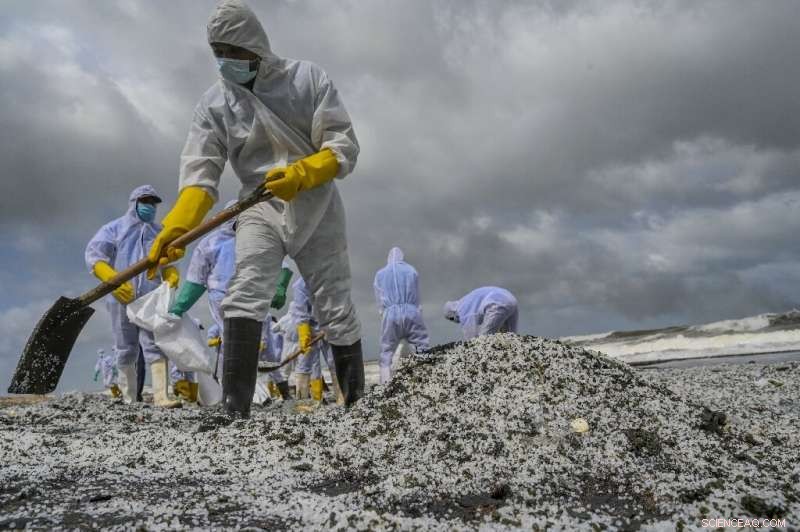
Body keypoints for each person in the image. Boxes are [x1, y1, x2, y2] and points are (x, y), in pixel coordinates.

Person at [148, 0, 364, 417]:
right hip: (258, 205)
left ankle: (356, 404)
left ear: (256, 46)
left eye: (234, 51)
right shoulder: (214, 105)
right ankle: (234, 409)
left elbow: (343, 146)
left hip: (315, 201)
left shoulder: (306, 79)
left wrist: (305, 172)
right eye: (219, 53)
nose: (226, 62)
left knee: (334, 304)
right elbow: (199, 175)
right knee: (244, 294)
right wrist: (176, 227)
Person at [168, 200, 294, 400]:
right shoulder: (211, 243)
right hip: (223, 300)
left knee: (249, 348)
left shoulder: (258, 238)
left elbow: (284, 266)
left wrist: (280, 286)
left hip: (253, 296)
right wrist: (179, 307)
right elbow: (196, 280)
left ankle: (246, 394)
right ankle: (233, 394)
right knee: (233, 344)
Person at [85, 185, 181, 408]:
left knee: (155, 344)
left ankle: (161, 397)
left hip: (150, 297)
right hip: (120, 297)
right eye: (145, 201)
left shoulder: (160, 232)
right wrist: (112, 280)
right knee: (125, 346)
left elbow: (168, 260)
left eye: (153, 203)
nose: (150, 206)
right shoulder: (114, 229)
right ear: (134, 203)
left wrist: (170, 272)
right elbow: (94, 255)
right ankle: (130, 398)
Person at [373, 247, 430, 384]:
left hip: (390, 314)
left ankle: (385, 385)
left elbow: (379, 297)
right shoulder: (411, 270)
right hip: (411, 312)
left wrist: (382, 312)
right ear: (402, 257)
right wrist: (417, 310)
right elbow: (416, 294)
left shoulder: (380, 274)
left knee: (386, 351)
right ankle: (426, 378)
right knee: (421, 345)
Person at [290, 278, 341, 403]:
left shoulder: (328, 278)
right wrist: (303, 332)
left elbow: (336, 302)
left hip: (328, 325)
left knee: (334, 362)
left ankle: (342, 397)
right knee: (305, 364)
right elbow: (301, 309)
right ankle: (304, 400)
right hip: (310, 328)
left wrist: (332, 320)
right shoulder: (300, 285)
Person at [443, 287, 519, 340]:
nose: (455, 321)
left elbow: (471, 335)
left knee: (484, 340)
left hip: (496, 303)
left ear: (453, 312)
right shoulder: (467, 300)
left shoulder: (462, 310)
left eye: (452, 319)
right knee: (510, 337)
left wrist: (469, 349)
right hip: (511, 299)